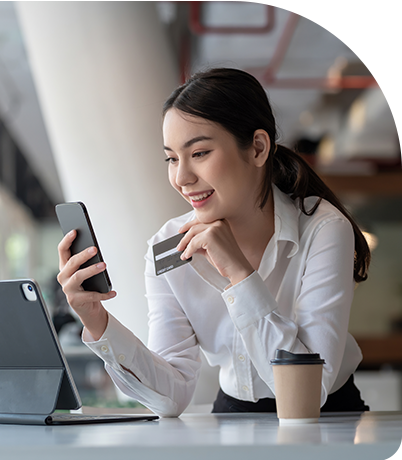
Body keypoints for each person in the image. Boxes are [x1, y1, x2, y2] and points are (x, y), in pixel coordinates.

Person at [57, 67, 370, 417]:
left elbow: (310, 392)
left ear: (257, 148)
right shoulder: (168, 246)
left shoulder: (323, 229)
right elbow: (170, 397)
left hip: (327, 417)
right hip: (233, 414)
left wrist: (239, 274)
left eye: (200, 153)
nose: (181, 177)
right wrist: (97, 321)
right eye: (172, 158)